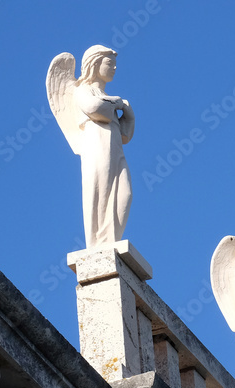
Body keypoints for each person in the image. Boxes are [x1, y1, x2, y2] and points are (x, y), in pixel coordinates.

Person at [72, 45, 134, 248]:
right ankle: (98, 242)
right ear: (95, 64)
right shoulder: (83, 90)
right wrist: (114, 102)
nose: (114, 67)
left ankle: (111, 239)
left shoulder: (108, 98)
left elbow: (125, 135)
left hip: (115, 146)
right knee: (100, 190)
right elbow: (95, 109)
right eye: (110, 63)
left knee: (125, 193)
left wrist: (128, 113)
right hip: (96, 143)